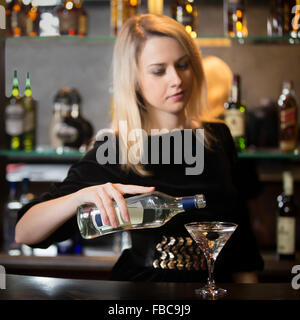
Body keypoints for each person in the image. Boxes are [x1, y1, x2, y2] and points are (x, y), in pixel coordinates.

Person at [15, 14, 263, 283]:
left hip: (218, 288)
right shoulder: (118, 147)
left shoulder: (217, 137)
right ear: (134, 79)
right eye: (159, 70)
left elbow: (242, 242)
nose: (176, 79)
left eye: (183, 65)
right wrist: (80, 197)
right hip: (147, 291)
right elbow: (25, 232)